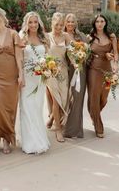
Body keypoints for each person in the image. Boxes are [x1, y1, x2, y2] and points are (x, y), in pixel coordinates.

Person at [0, 7, 23, 154]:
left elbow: (19, 56)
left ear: (1, 17)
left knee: (9, 109)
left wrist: (21, 75)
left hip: (11, 77)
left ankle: (7, 139)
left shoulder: (13, 34)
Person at [19, 11, 50, 154]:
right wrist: (21, 77)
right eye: (30, 22)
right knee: (27, 108)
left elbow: (48, 57)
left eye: (35, 22)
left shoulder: (44, 38)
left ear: (39, 23)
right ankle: (29, 141)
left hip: (40, 79)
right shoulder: (22, 38)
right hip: (27, 77)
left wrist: (48, 69)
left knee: (37, 108)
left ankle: (39, 138)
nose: (33, 25)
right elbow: (19, 59)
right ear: (26, 24)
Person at [87, 14, 118, 138]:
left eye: (102, 21)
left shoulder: (112, 37)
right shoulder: (90, 37)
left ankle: (94, 115)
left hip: (107, 70)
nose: (99, 23)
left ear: (105, 23)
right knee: (94, 97)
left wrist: (115, 63)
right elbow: (85, 53)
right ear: (94, 23)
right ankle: (98, 125)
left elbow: (115, 53)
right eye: (97, 21)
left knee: (104, 98)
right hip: (93, 70)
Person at [47, 12, 72, 143]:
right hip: (51, 72)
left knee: (64, 99)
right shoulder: (46, 37)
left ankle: (52, 117)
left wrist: (77, 59)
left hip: (63, 72)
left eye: (61, 25)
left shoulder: (66, 36)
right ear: (52, 24)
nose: (59, 27)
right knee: (56, 99)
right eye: (57, 25)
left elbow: (73, 52)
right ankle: (58, 130)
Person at [63, 13, 88, 139]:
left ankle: (75, 130)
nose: (71, 24)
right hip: (65, 70)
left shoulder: (81, 36)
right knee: (65, 98)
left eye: (73, 21)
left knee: (77, 98)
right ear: (65, 23)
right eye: (68, 21)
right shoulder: (61, 36)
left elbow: (88, 50)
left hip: (80, 70)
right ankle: (60, 124)